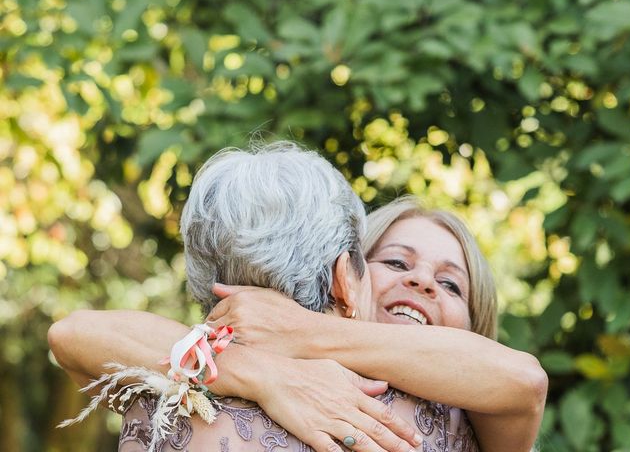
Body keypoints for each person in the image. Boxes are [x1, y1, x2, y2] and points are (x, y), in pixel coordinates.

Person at [49, 142, 547, 452]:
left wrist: (304, 331)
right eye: (395, 262)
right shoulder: (189, 371)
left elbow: (522, 380)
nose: (421, 282)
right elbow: (72, 334)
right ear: (349, 279)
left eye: (452, 283)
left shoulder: (473, 411)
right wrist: (263, 371)